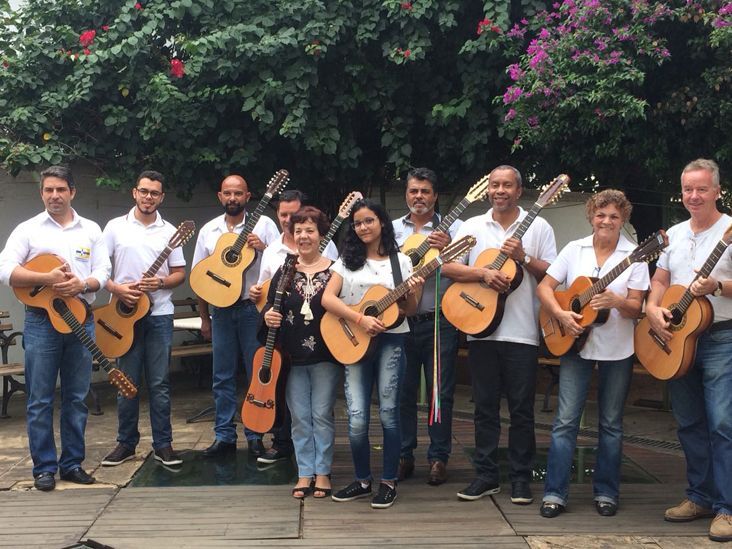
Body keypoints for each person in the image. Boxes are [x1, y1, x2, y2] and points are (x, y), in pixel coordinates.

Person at [441, 165, 556, 505]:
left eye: (507, 185)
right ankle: (486, 475)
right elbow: (445, 266)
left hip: (522, 333)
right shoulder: (473, 226)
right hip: (480, 330)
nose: (500, 190)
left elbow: (554, 273)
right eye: (494, 185)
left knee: (522, 409)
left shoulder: (540, 226)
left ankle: (521, 478)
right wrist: (482, 273)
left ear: (519, 191)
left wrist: (525, 258)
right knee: (485, 407)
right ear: (488, 189)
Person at [536, 189, 649, 518]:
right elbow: (545, 287)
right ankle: (555, 493)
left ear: (623, 219)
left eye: (614, 216)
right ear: (591, 216)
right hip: (573, 343)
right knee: (565, 421)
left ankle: (606, 492)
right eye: (601, 215)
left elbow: (636, 308)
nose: (607, 221)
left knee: (611, 424)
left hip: (617, 348)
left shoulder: (635, 256)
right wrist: (560, 315)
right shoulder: (574, 249)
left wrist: (618, 302)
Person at [0, 165, 111, 491]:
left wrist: (83, 282)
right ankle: (44, 468)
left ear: (72, 192)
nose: (54, 195)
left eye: (60, 189)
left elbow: (103, 270)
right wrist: (45, 279)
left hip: (80, 318)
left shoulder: (90, 230)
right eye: (48, 190)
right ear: (42, 193)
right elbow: (6, 270)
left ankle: (72, 463)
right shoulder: (28, 230)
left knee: (77, 397)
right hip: (40, 322)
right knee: (40, 399)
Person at [645, 159, 732, 542]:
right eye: (687, 190)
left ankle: (727, 509)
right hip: (676, 337)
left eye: (701, 189)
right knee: (689, 422)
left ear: (717, 190)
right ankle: (699, 496)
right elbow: (661, 279)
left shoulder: (729, 229)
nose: (693, 196)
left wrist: (717, 286)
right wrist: (651, 309)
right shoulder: (676, 233)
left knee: (722, 424)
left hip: (720, 337)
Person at [322, 199, 422, 509]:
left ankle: (388, 481)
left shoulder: (401, 262)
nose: (363, 227)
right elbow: (327, 298)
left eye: (369, 221)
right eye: (358, 223)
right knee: (355, 417)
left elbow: (410, 309)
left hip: (392, 341)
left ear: (382, 223)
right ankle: (363, 480)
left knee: (390, 413)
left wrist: (408, 294)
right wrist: (360, 318)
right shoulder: (345, 261)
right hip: (353, 340)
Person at [100, 171, 187, 468]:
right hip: (122, 316)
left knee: (160, 383)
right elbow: (99, 270)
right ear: (134, 192)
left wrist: (160, 284)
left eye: (155, 193)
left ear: (161, 198)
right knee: (126, 381)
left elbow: (179, 273)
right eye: (144, 191)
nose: (148, 197)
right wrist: (116, 289)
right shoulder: (114, 228)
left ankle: (164, 444)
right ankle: (126, 443)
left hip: (159, 315)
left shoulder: (171, 231)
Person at [192, 174, 279, 458]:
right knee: (222, 375)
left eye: (238, 193)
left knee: (256, 374)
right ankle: (224, 436)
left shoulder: (265, 226)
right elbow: (200, 278)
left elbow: (281, 268)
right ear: (220, 196)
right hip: (221, 311)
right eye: (228, 193)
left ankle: (255, 435)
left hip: (252, 310)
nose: (233, 198)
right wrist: (205, 318)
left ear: (248, 196)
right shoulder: (209, 230)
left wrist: (263, 248)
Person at [250, 190, 338, 465]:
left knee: (322, 414)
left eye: (309, 230)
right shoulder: (285, 269)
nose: (303, 236)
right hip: (291, 355)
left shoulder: (336, 270)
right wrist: (267, 317)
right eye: (298, 231)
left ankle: (322, 472)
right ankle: (304, 472)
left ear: (320, 234)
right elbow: (269, 307)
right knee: (299, 416)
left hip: (325, 353)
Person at [392, 167, 461, 485]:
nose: (418, 196)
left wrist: (445, 249)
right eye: (413, 191)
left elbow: (468, 270)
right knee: (402, 393)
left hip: (439, 320)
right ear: (406, 194)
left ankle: (438, 458)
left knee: (440, 394)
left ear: (435, 195)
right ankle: (404, 455)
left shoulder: (454, 229)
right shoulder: (391, 231)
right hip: (401, 322)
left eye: (425, 191)